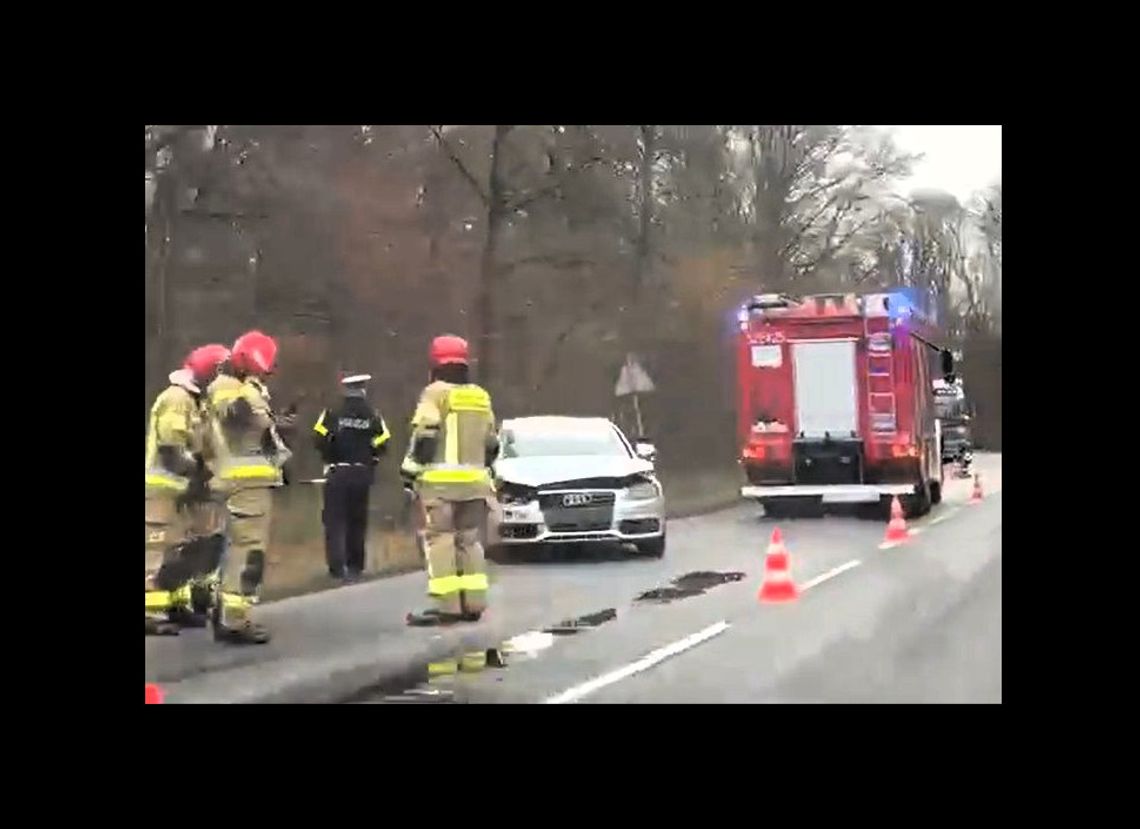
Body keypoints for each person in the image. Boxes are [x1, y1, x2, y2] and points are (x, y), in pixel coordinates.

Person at [401, 335, 499, 626]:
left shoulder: (435, 394)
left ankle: (448, 607)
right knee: (469, 540)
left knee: (440, 540)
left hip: (440, 485)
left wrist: (410, 472)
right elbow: (492, 443)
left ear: (436, 364)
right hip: (475, 484)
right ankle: (474, 604)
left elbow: (426, 434)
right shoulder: (480, 396)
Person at [207, 330, 290, 645]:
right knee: (248, 551)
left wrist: (279, 427)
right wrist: (256, 394)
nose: (268, 373)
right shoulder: (230, 389)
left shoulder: (233, 388)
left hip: (245, 480)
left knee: (238, 549)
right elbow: (237, 417)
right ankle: (235, 619)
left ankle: (226, 611)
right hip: (245, 483)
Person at [144, 345, 230, 635]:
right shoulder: (176, 398)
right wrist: (197, 472)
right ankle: (148, 613)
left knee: (181, 549)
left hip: (185, 490)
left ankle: (175, 605)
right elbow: (171, 449)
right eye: (219, 371)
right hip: (163, 489)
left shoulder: (199, 402)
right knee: (157, 549)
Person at [312, 373, 391, 580]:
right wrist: (370, 454)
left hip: (338, 471)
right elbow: (383, 440)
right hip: (362, 473)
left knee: (334, 521)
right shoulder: (372, 414)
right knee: (357, 520)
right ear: (363, 390)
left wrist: (330, 452)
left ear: (345, 390)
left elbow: (318, 436)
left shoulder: (332, 413)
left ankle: (337, 568)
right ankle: (355, 566)